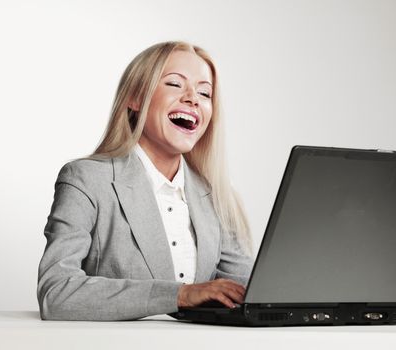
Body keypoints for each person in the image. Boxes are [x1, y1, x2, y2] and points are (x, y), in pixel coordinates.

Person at [37, 41, 254, 321]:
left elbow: (246, 292)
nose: (193, 98)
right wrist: (181, 294)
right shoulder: (86, 179)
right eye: (175, 84)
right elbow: (56, 293)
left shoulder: (218, 196)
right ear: (135, 98)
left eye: (204, 92)